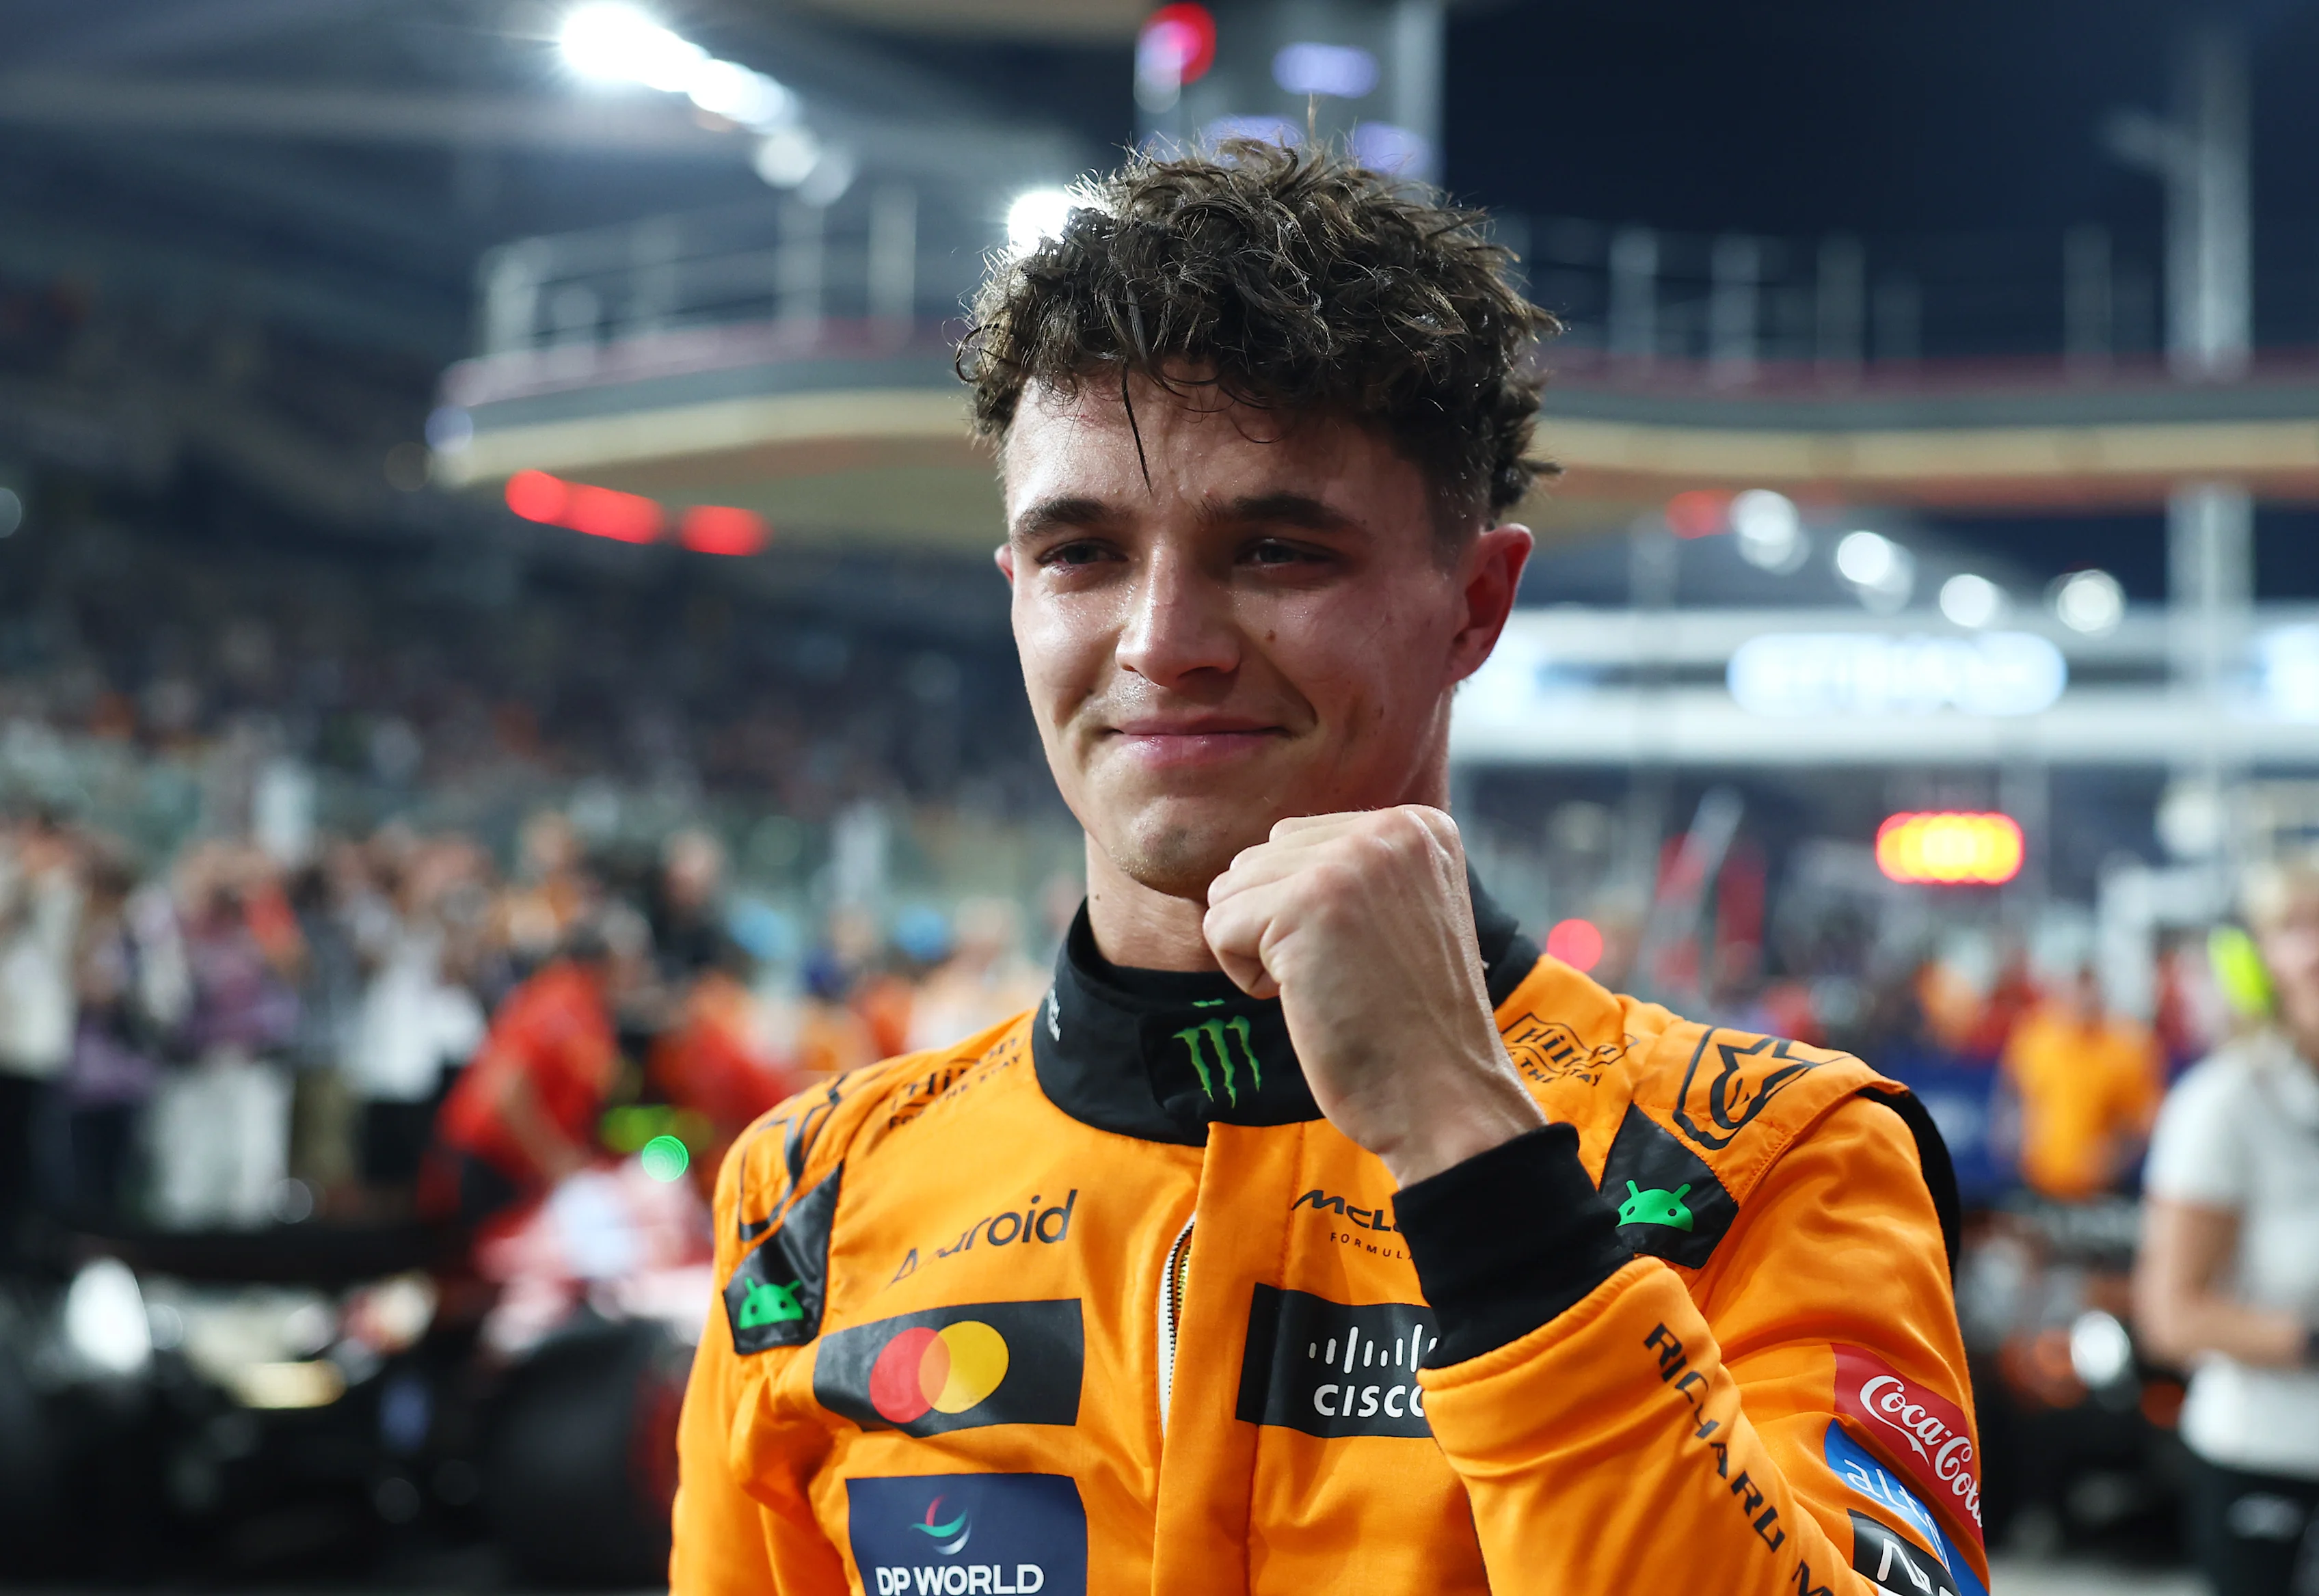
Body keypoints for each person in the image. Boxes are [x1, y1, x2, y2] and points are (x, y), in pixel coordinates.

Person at [673, 145, 1981, 1596]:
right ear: (1017, 595)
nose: (1160, 640)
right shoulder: (811, 1191)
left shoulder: (1764, 1160)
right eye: (1082, 553)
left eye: (1276, 549)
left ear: (1475, 605)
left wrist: (1475, 1158)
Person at [2136, 856, 2319, 1595]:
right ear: (2255, 960)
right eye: (2295, 928)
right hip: (2266, 1459)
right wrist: (2305, 1341)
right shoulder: (2222, 1105)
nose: (2314, 950)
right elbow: (2169, 1315)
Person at [425, 910, 643, 1234]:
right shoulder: (558, 1002)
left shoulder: (590, 1009)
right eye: (632, 962)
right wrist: (556, 1161)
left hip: (515, 1168)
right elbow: (506, 1091)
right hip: (487, 1163)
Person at [1999, 963, 2164, 1202]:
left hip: (2104, 1189)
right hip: (2039, 1180)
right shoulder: (2035, 1038)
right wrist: (2011, 1143)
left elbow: (2142, 1121)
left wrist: (2114, 1158)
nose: (2083, 1005)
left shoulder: (2128, 1048)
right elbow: (2010, 1094)